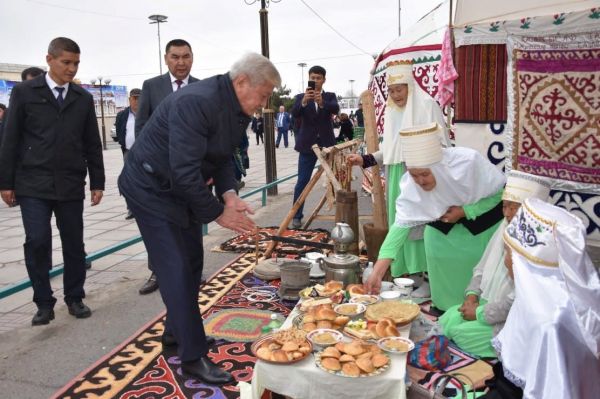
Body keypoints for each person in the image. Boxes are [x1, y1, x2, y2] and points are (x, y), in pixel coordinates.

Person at [118, 52, 279, 385]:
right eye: (263, 95)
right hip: (149, 187)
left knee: (191, 263)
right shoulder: (197, 101)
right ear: (242, 82)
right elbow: (184, 170)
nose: (264, 104)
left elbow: (222, 157)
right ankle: (192, 357)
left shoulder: (236, 108)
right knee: (174, 268)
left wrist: (230, 193)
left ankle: (175, 337)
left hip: (180, 188)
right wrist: (219, 213)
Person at [0, 37, 105, 325]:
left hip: (70, 182)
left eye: (76, 63)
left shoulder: (82, 98)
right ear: (50, 60)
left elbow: (92, 143)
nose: (72, 69)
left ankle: (75, 297)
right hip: (33, 183)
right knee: (37, 241)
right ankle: (43, 303)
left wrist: (98, 181)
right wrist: (5, 182)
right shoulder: (24, 92)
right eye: (66, 62)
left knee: (73, 242)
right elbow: (10, 139)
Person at [365, 123, 505, 313]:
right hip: (441, 234)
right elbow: (399, 228)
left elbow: (500, 195)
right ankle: (443, 313)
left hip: (480, 230)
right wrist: (378, 272)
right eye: (415, 175)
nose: (421, 181)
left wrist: (466, 211)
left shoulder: (468, 163)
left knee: (475, 286)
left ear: (438, 167)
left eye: (425, 174)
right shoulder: (411, 186)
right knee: (444, 290)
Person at [347, 63, 450, 297]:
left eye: (400, 89)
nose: (395, 95)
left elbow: (441, 144)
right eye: (391, 90)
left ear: (410, 87)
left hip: (421, 175)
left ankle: (429, 277)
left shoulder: (426, 105)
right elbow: (391, 151)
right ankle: (412, 276)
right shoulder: (393, 111)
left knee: (422, 225)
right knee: (402, 225)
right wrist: (364, 159)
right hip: (397, 176)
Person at [489, 198, 600, 399]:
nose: (505, 262)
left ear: (528, 269)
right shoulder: (539, 299)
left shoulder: (550, 322)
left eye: (509, 254)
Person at [439, 171, 551, 358]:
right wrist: (472, 296)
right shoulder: (504, 227)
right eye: (505, 206)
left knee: (461, 333)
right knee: (450, 316)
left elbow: (518, 301)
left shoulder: (539, 245)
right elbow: (482, 267)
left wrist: (480, 313)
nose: (507, 214)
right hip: (489, 304)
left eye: (514, 208)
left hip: (512, 318)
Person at [135, 39, 198, 295]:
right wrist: (148, 165)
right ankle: (157, 271)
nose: (181, 62)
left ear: (192, 58)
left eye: (186, 56)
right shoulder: (152, 87)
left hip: (190, 173)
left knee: (188, 224)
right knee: (158, 226)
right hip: (157, 174)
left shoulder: (201, 87)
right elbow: (141, 127)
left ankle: (191, 268)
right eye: (175, 57)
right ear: (166, 58)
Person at [291, 65, 339, 229]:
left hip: (327, 145)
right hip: (307, 146)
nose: (315, 81)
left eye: (319, 78)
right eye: (313, 78)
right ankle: (296, 216)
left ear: (324, 80)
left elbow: (336, 109)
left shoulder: (330, 96)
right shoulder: (300, 97)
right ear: (309, 79)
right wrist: (305, 101)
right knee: (302, 181)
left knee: (335, 179)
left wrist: (323, 103)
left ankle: (342, 214)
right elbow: (295, 113)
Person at [114, 88, 142, 219]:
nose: (137, 101)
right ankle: (131, 208)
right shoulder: (122, 115)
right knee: (129, 181)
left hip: (145, 152)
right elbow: (119, 131)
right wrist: (123, 143)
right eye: (134, 98)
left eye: (139, 98)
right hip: (129, 152)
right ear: (129, 99)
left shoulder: (148, 113)